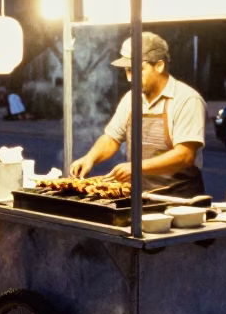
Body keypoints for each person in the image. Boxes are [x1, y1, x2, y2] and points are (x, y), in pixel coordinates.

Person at [70, 31, 206, 196]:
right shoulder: (131, 99)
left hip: (181, 201)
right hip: (141, 198)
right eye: (128, 71)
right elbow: (111, 138)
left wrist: (135, 167)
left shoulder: (187, 99)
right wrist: (90, 158)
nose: (130, 78)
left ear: (159, 65)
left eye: (137, 70)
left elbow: (185, 155)